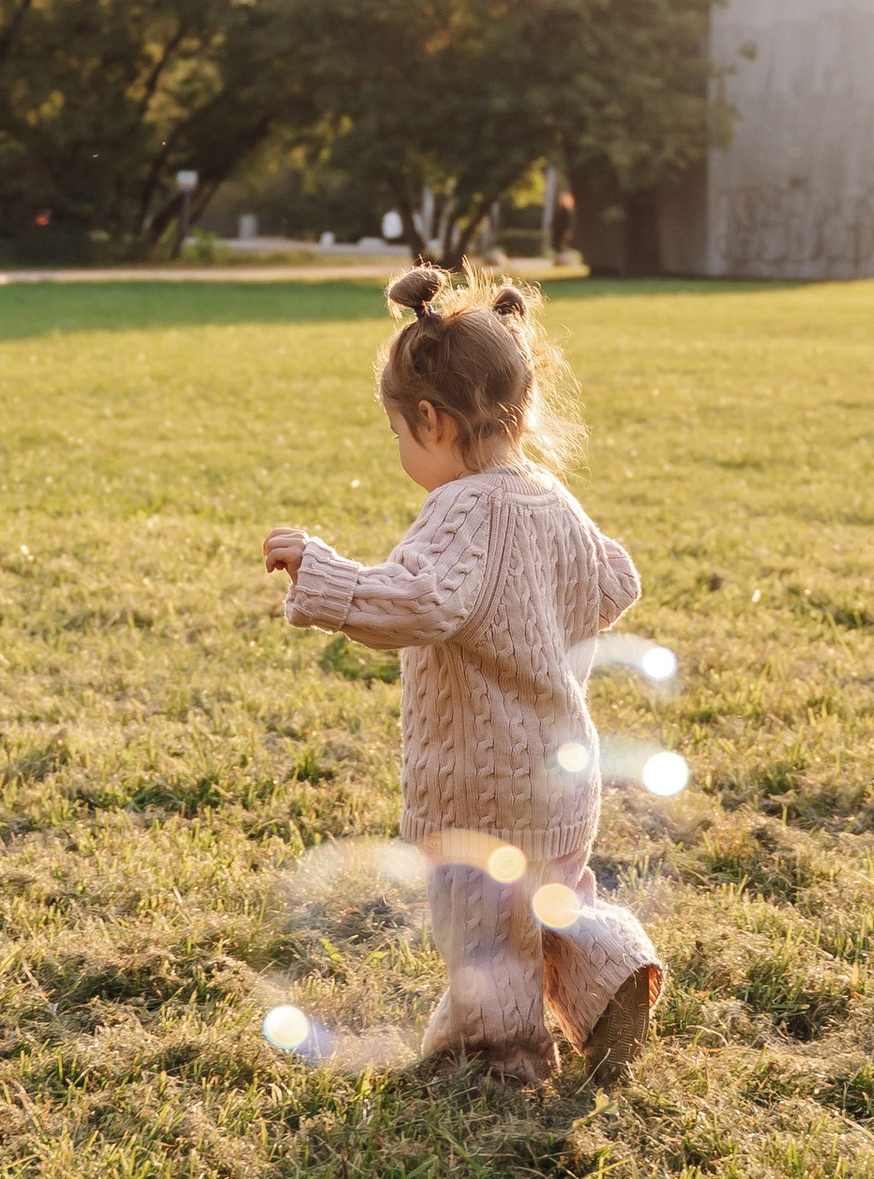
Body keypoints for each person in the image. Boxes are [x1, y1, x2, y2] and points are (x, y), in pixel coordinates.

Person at [263, 267, 663, 1087]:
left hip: (481, 786)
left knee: (485, 931)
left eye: (401, 436)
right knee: (556, 898)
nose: (405, 452)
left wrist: (324, 572)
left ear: (430, 420)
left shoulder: (462, 509)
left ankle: (495, 1060)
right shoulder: (550, 496)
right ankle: (612, 979)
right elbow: (614, 583)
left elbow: (414, 604)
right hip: (561, 774)